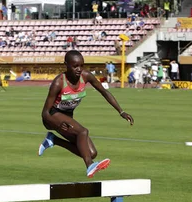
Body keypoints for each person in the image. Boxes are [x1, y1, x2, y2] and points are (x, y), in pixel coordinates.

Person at [38, 50, 134, 178]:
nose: (79, 69)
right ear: (66, 65)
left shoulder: (86, 76)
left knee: (91, 152)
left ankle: (53, 140)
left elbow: (104, 92)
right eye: (75, 66)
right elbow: (45, 113)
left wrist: (121, 111)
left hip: (67, 118)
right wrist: (57, 124)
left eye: (81, 65)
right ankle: (89, 165)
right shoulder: (59, 82)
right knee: (83, 132)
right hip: (52, 116)